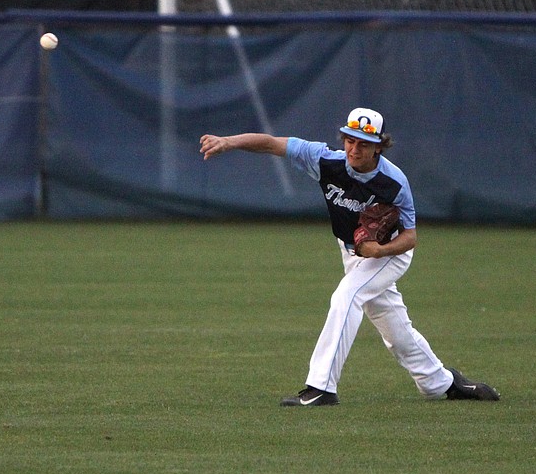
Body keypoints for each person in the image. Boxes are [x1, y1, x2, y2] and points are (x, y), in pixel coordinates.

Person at [199, 108, 500, 406]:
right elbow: (273, 143)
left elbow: (411, 237)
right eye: (350, 140)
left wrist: (380, 250)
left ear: (379, 146)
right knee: (394, 329)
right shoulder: (325, 159)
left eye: (364, 143)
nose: (355, 149)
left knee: (347, 295)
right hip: (352, 250)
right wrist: (229, 142)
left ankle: (321, 387)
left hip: (389, 252)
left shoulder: (393, 182)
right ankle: (441, 382)